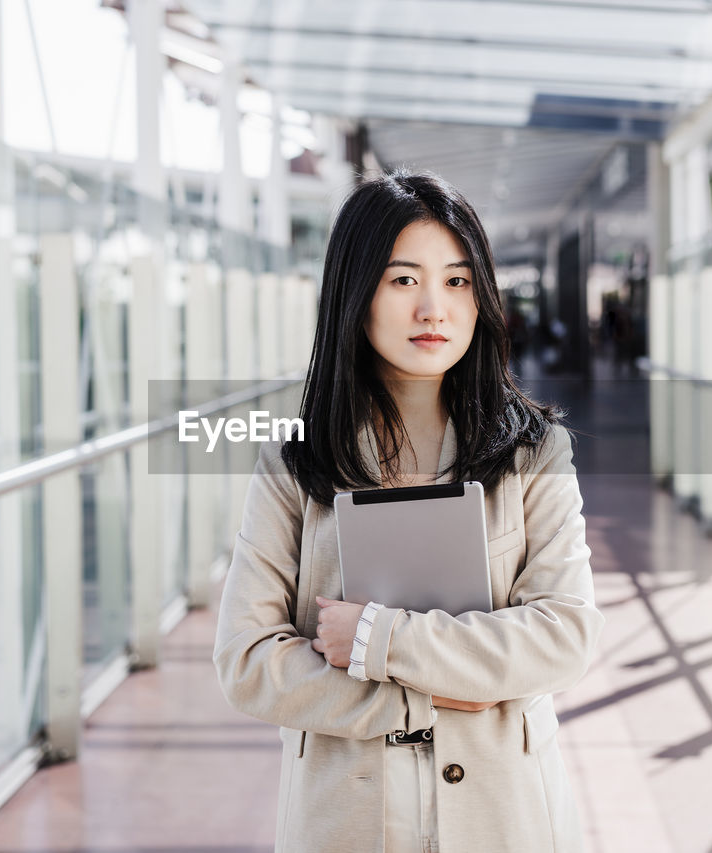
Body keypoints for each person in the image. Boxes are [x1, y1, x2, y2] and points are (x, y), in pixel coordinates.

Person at [213, 170, 604, 853]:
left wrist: (381, 641)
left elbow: (565, 633)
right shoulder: (295, 463)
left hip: (503, 817)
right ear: (355, 292)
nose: (435, 309)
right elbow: (247, 659)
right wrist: (420, 699)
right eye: (403, 281)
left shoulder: (537, 452)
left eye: (457, 281)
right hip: (347, 821)